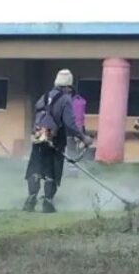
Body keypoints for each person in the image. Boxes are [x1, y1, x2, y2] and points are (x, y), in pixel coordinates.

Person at [23, 69, 93, 214]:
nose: (70, 91)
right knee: (52, 171)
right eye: (70, 88)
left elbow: (38, 116)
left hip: (39, 135)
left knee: (36, 167)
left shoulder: (44, 96)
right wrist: (83, 137)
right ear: (67, 86)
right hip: (56, 138)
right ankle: (47, 202)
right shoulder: (65, 99)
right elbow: (70, 124)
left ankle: (31, 199)